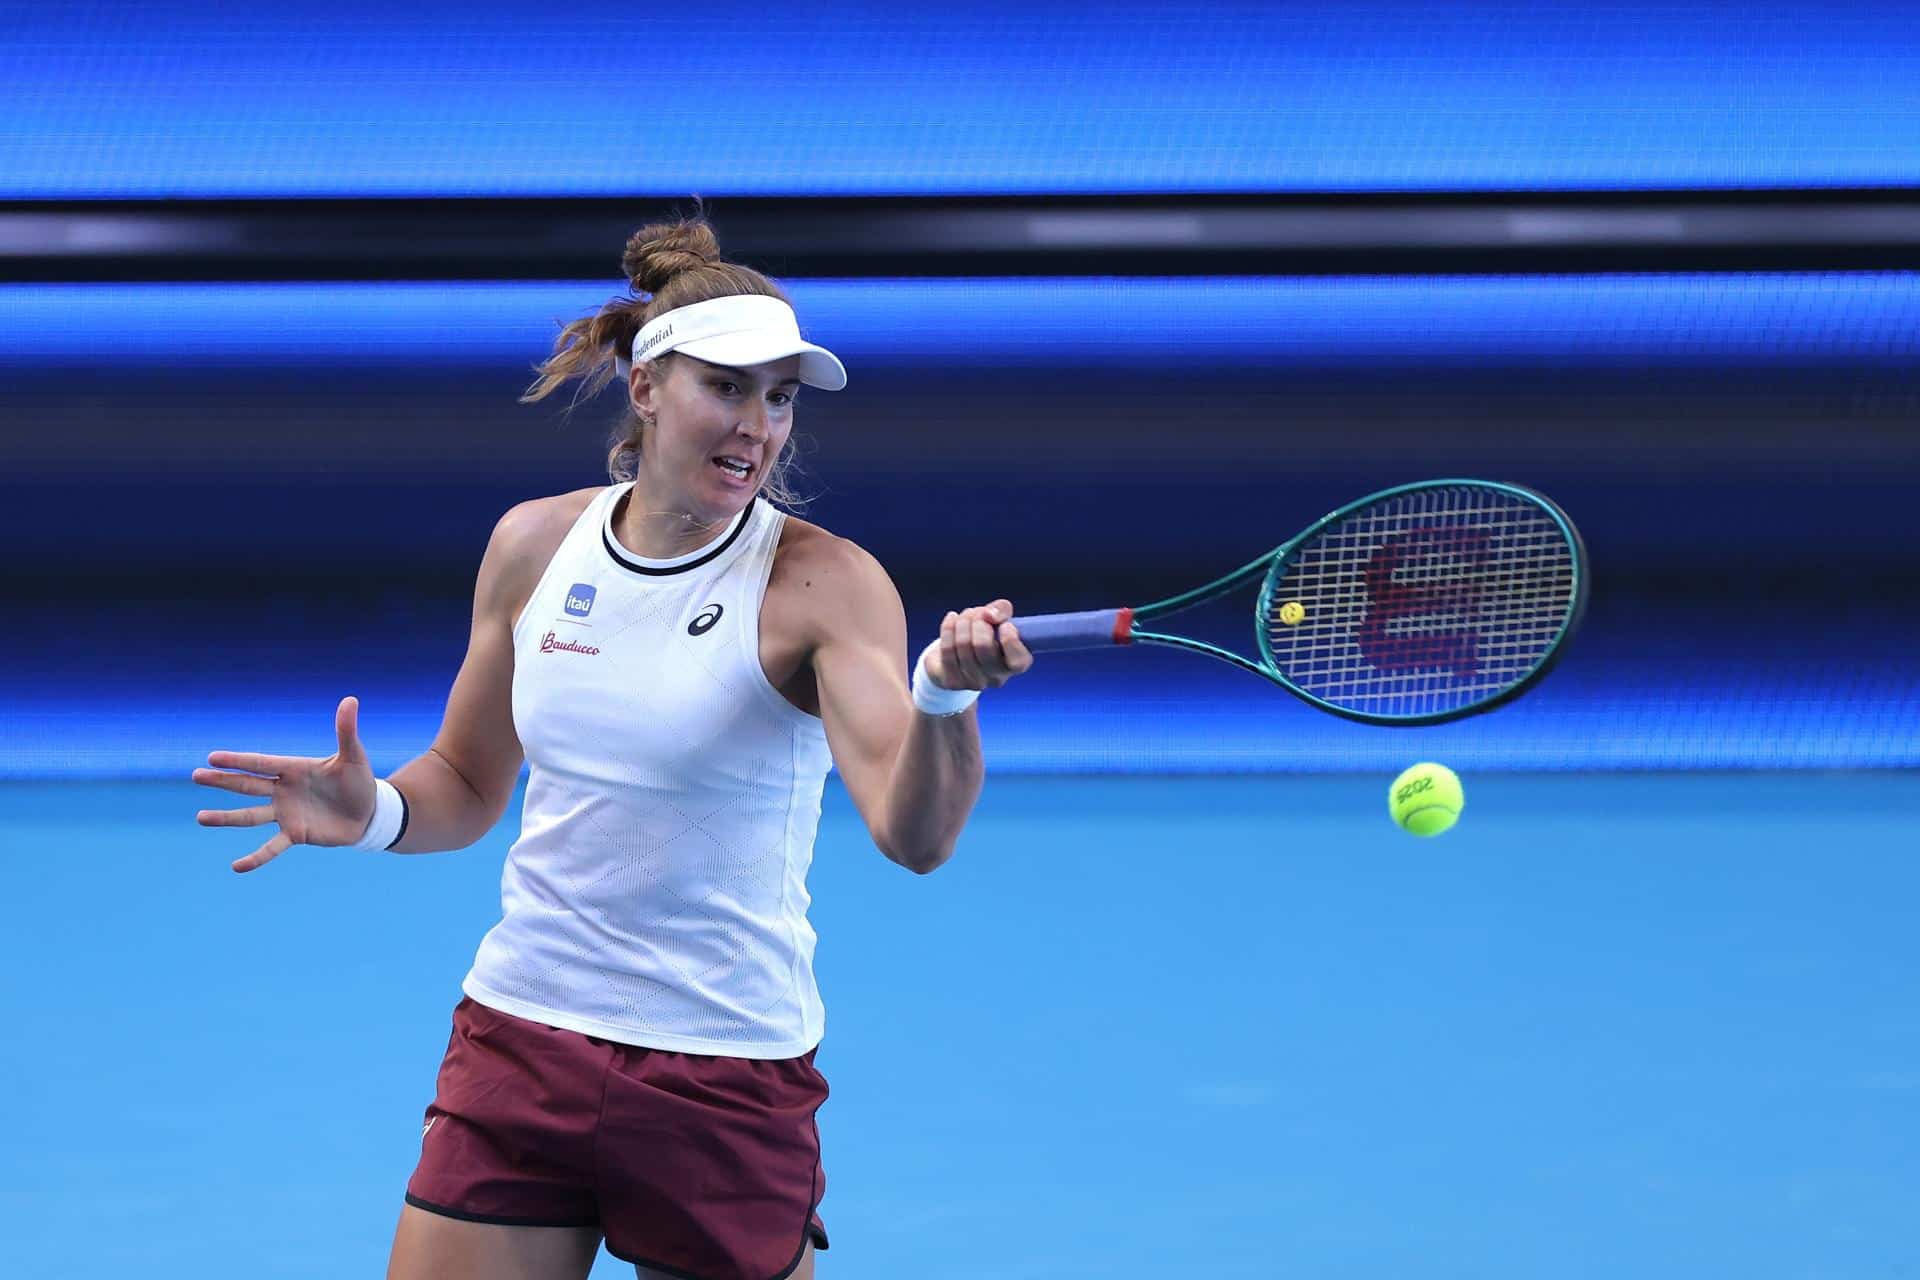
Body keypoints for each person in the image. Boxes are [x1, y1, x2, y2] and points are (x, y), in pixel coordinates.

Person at [191, 217, 1032, 1280]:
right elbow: (463, 778)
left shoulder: (823, 582)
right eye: (727, 386)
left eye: (781, 395)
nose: (760, 424)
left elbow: (915, 837)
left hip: (721, 1069)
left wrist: (944, 700)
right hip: (521, 1035)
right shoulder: (534, 544)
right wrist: (376, 815)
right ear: (646, 387)